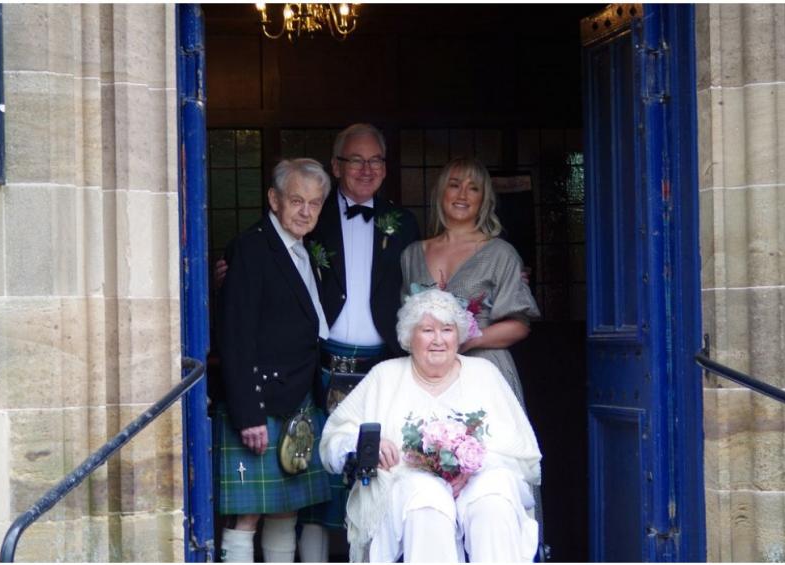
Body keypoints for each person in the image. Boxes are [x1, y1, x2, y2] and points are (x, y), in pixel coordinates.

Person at [320, 289, 542, 562]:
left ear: (458, 335)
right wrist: (368, 444)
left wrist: (473, 466)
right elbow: (335, 439)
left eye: (447, 330)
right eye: (427, 330)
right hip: (408, 485)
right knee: (427, 501)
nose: (438, 340)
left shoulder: (485, 374)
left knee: (493, 497)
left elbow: (521, 451)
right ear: (409, 337)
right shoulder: (385, 376)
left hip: (478, 480)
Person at [297, 123, 421, 556]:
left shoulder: (404, 223)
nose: (367, 169)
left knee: (376, 473)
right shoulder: (312, 215)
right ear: (336, 166)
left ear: (385, 168)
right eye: (356, 160)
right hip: (320, 364)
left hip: (383, 367)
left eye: (375, 161)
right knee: (317, 483)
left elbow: (428, 279)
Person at [215, 158, 333, 563]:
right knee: (247, 513)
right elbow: (235, 335)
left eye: (314, 203)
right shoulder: (252, 248)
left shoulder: (302, 249)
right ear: (274, 199)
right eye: (297, 201)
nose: (305, 211)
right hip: (262, 399)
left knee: (286, 507)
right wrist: (248, 414)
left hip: (297, 394)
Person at [400, 157, 539, 407]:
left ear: (483, 199)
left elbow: (520, 325)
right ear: (441, 192)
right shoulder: (412, 254)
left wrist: (468, 339)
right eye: (454, 185)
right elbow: (405, 323)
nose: (462, 195)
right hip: (427, 376)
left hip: (484, 372)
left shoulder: (500, 253)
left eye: (473, 188)